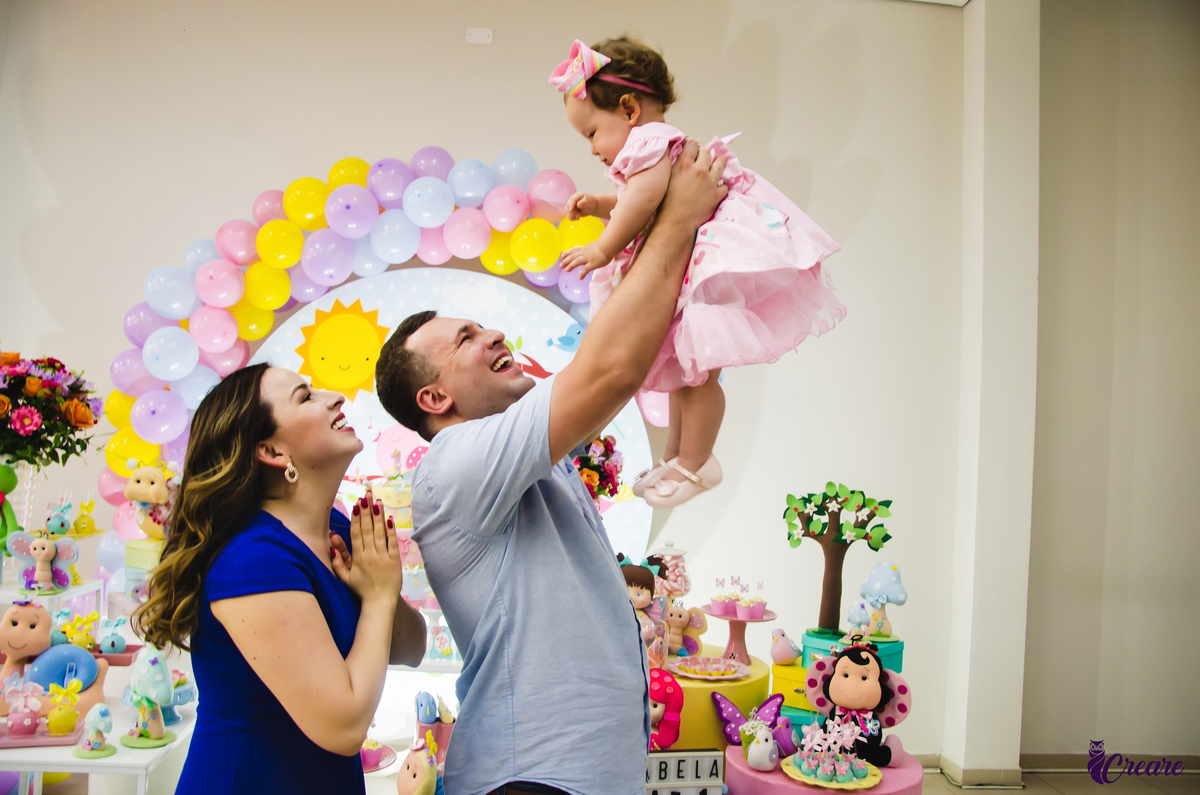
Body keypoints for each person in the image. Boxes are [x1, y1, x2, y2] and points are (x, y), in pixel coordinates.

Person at [373, 138, 728, 795]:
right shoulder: (455, 462)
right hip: (531, 776)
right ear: (434, 398)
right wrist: (676, 218)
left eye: (485, 326)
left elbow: (626, 350)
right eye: (466, 339)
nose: (494, 336)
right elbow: (612, 366)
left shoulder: (533, 461)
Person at [550, 36, 847, 507]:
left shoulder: (649, 142)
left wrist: (604, 247)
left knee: (700, 376)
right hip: (687, 268)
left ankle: (697, 460)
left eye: (590, 133)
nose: (590, 149)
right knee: (685, 375)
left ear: (629, 109)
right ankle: (678, 457)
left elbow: (645, 201)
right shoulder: (652, 153)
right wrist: (599, 204)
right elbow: (640, 200)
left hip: (697, 269)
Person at [134, 363, 426, 795]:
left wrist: (379, 591)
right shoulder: (253, 560)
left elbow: (412, 647)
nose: (335, 397)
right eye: (306, 397)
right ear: (271, 451)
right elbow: (344, 725)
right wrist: (380, 597)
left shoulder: (338, 530)